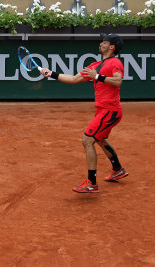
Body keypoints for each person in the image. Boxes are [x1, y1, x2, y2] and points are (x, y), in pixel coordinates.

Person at [40, 33, 129, 193]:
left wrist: (98, 76)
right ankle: (118, 170)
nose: (101, 44)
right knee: (100, 139)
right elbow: (74, 79)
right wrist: (51, 74)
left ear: (112, 47)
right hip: (103, 110)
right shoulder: (95, 64)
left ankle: (91, 182)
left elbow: (118, 81)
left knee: (87, 140)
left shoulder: (115, 62)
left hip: (110, 111)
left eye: (104, 42)